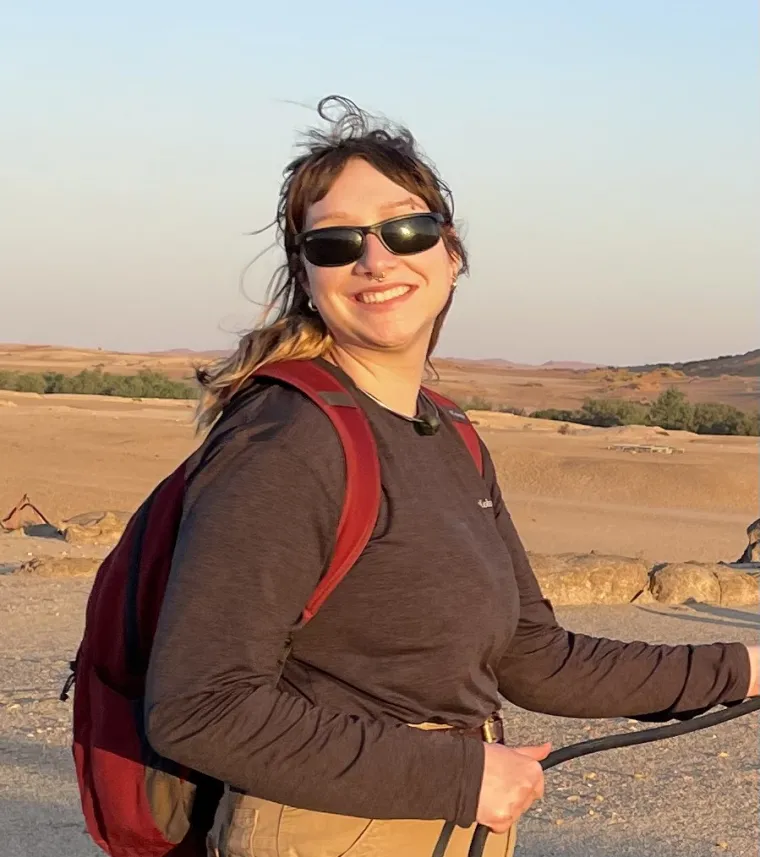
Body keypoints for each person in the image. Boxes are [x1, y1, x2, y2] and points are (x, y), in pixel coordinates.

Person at [143, 95, 759, 857]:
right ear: (306, 276)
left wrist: (745, 667)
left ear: (451, 251)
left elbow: (536, 659)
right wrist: (459, 773)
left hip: (447, 826)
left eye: (407, 228)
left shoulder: (448, 431)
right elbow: (199, 706)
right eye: (335, 243)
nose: (377, 260)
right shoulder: (286, 440)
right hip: (327, 832)